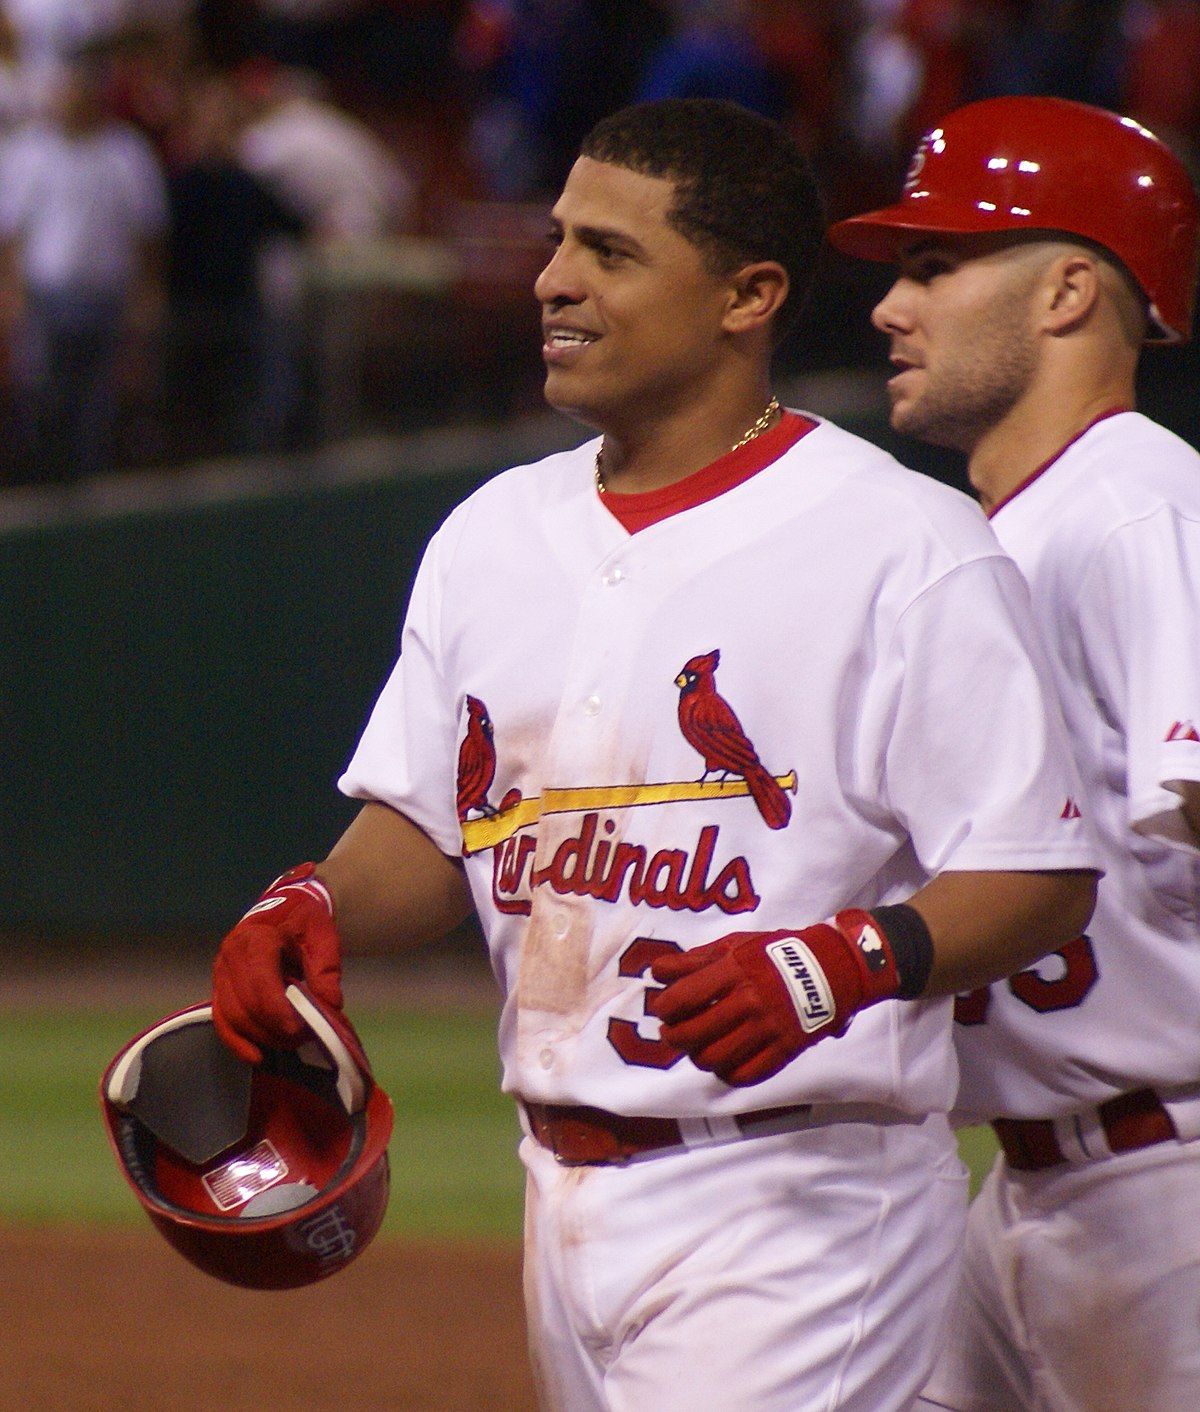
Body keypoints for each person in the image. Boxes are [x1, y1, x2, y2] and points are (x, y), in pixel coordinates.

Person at [211, 98, 1098, 1412]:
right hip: (558, 1196)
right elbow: (429, 828)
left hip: (798, 1197)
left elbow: (1039, 872)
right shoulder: (491, 534)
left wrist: (837, 963)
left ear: (749, 295)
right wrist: (315, 902)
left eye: (610, 253)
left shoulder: (902, 550)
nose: (553, 277)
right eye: (561, 239)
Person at [828, 94, 1200, 1411]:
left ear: (1065, 292)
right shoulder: (1005, 532)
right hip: (1037, 1184)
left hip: (1170, 1185)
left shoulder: (1135, 502)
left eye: (936, 264)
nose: (891, 305)